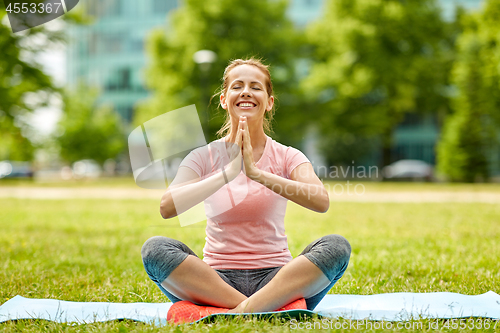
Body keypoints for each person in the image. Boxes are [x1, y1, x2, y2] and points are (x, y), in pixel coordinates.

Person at [141, 58, 351, 322]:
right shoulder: (202, 157)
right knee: (155, 250)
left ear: (269, 101)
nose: (246, 92)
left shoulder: (287, 156)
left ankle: (233, 313)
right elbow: (167, 207)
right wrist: (226, 174)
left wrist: (257, 174)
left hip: (277, 279)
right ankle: (266, 310)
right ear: (223, 99)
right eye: (237, 86)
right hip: (217, 282)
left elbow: (320, 201)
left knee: (336, 247)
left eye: (256, 86)